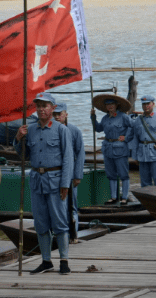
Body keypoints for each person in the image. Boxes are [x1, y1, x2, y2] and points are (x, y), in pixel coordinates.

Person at [14, 93, 74, 275]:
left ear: (53, 108)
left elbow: (68, 158)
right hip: (37, 181)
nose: (41, 109)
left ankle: (64, 260)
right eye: (38, 106)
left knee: (60, 222)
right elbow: (24, 156)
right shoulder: (30, 130)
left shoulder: (61, 130)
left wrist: (65, 184)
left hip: (56, 181)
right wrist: (18, 139)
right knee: (40, 223)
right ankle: (46, 261)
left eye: (45, 106)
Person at [91, 94, 135, 204]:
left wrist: (127, 138)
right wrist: (93, 117)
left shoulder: (123, 116)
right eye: (107, 105)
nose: (110, 106)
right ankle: (114, 197)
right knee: (110, 174)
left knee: (123, 174)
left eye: (112, 104)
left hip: (120, 148)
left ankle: (124, 197)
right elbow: (98, 128)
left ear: (116, 105)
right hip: (108, 148)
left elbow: (134, 127)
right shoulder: (105, 118)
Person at [51, 103, 84, 243]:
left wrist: (77, 175)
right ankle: (60, 236)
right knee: (57, 207)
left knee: (72, 206)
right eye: (55, 114)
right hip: (54, 175)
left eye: (60, 114)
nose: (57, 117)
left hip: (69, 175)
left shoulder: (74, 130)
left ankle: (73, 235)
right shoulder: (50, 130)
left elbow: (80, 154)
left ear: (66, 114)